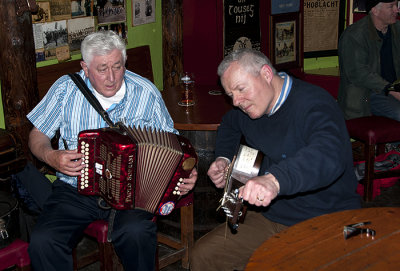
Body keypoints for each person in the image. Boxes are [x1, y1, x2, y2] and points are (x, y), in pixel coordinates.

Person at [26, 30, 198, 271]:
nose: (111, 78)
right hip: (76, 189)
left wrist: (187, 173)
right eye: (101, 69)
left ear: (124, 62)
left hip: (134, 194)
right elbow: (37, 135)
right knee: (43, 241)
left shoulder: (145, 91)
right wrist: (51, 156)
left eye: (117, 67)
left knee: (136, 233)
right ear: (85, 68)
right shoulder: (66, 89)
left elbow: (174, 143)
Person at [189, 48, 361, 270]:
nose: (236, 101)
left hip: (325, 218)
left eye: (241, 89)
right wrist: (223, 157)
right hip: (271, 217)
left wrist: (274, 180)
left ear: (267, 74)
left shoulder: (315, 103)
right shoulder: (249, 110)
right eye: (231, 95)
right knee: (202, 257)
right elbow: (230, 125)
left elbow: (328, 153)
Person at [337, 0, 400, 120]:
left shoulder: (397, 29)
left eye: (396, 5)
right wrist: (390, 89)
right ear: (375, 10)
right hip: (368, 94)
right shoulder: (354, 35)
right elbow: (358, 73)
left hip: (392, 89)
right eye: (391, 6)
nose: (396, 10)